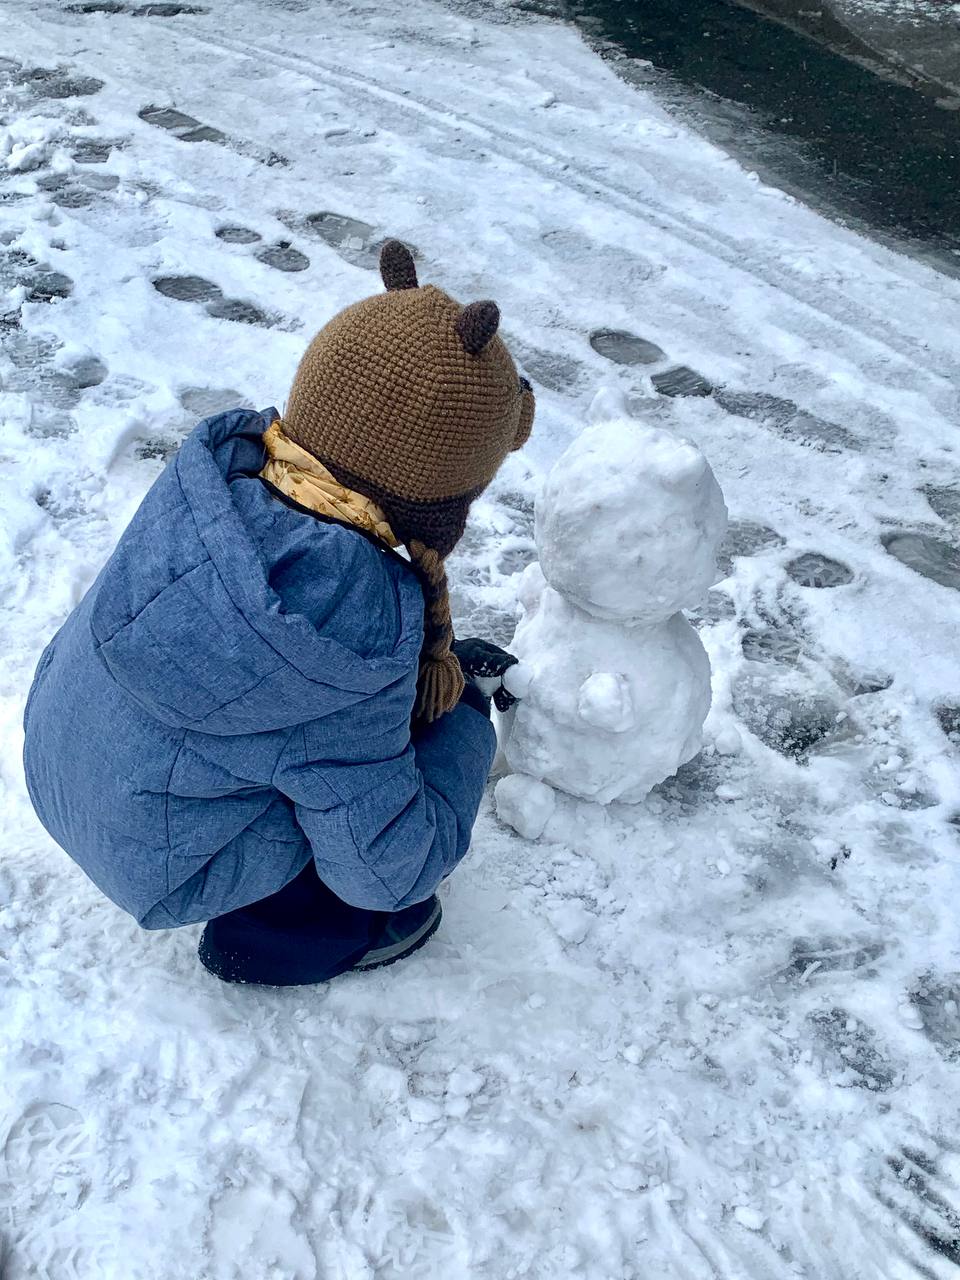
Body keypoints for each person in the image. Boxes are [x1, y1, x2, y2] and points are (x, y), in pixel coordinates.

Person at [22, 241, 535, 985]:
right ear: (442, 494)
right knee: (346, 817)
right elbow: (387, 866)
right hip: (160, 862)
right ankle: (281, 939)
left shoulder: (218, 480)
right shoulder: (348, 621)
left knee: (301, 738)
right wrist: (462, 727)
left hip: (61, 760)